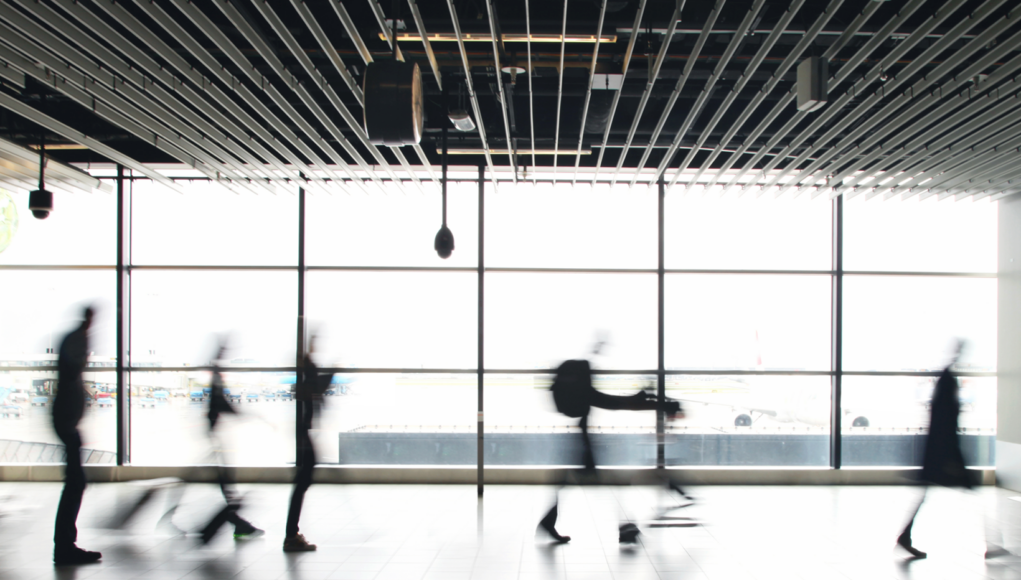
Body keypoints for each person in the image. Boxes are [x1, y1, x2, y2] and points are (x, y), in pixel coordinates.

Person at [538, 355, 682, 545]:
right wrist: (656, 403)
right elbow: (615, 403)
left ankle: (549, 522)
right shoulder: (585, 393)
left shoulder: (579, 393)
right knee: (611, 485)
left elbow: (614, 403)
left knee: (575, 484)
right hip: (584, 448)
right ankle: (626, 529)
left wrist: (642, 400)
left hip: (580, 445)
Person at [896, 341, 1004, 559]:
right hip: (945, 452)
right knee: (972, 491)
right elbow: (946, 420)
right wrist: (952, 456)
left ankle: (905, 536)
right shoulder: (948, 380)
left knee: (928, 493)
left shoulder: (945, 378)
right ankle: (991, 544)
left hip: (940, 451)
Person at [198, 342, 263, 544]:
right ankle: (236, 524)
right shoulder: (216, 377)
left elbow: (221, 404)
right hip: (215, 437)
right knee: (225, 484)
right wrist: (250, 415)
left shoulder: (215, 377)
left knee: (225, 485)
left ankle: (238, 524)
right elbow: (222, 404)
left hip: (214, 435)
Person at [52, 306, 102, 565]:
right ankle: (64, 546)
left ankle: (65, 544)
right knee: (75, 483)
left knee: (75, 482)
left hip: (68, 421)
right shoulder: (77, 339)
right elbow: (72, 369)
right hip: (67, 421)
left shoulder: (74, 338)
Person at [283, 336, 332, 552]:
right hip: (304, 433)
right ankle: (291, 536)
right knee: (302, 482)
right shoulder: (306, 368)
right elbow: (316, 390)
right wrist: (332, 373)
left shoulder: (303, 368)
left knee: (302, 483)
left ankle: (291, 534)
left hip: (303, 431)